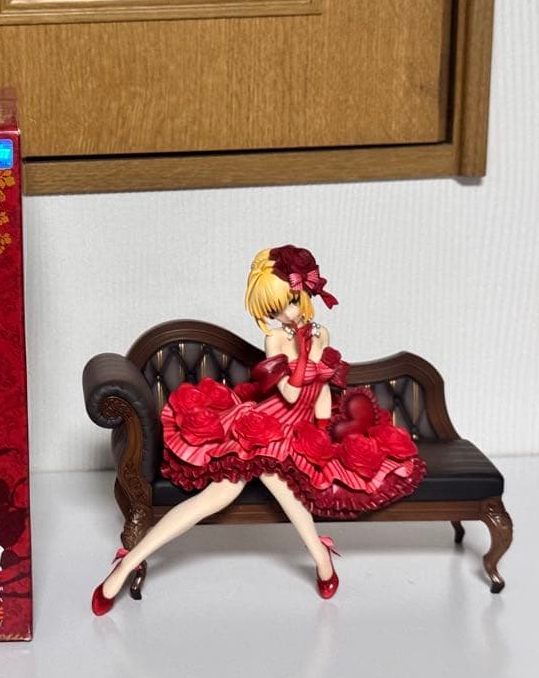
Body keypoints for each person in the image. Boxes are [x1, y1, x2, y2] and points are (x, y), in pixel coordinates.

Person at [92, 246, 425, 614]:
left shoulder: (322, 334)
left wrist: (323, 429)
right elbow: (290, 392)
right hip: (267, 424)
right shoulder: (276, 340)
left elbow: (320, 391)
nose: (286, 314)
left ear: (304, 293)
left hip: (297, 431)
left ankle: (321, 559)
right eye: (274, 310)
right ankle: (127, 564)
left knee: (278, 488)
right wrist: (307, 354)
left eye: (291, 302)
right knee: (218, 496)